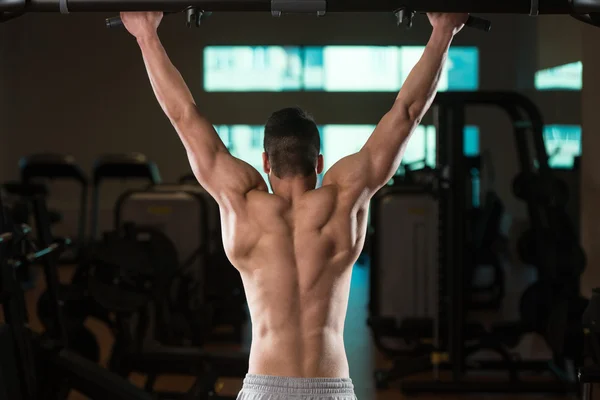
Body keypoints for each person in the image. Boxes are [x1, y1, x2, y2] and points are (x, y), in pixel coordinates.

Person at [120, 11, 468, 400]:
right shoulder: (343, 199)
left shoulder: (242, 204)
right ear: (319, 162)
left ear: (265, 163)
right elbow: (406, 112)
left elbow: (183, 115)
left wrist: (145, 34)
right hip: (331, 388)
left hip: (264, 387)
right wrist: (443, 32)